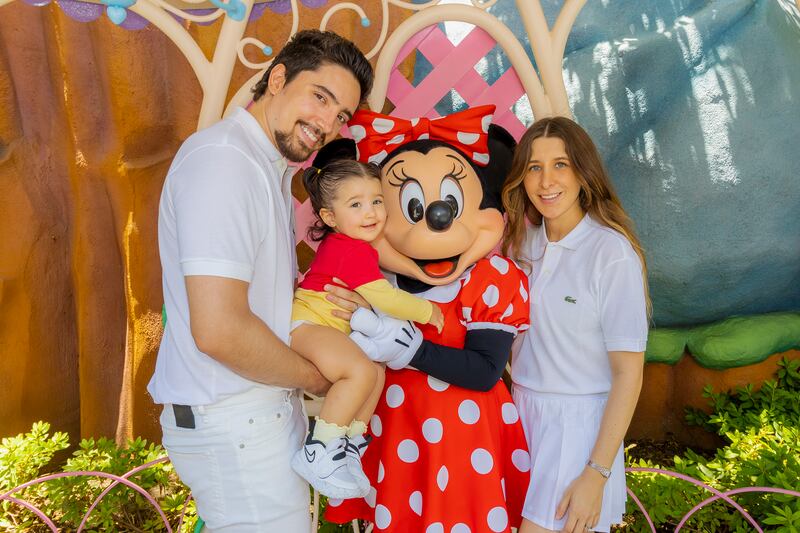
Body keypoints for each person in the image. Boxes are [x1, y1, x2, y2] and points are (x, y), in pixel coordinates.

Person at [147, 30, 373, 532]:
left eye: (340, 116)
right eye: (320, 97)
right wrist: (316, 377)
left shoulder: (261, 164)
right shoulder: (225, 163)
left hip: (251, 417)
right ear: (277, 79)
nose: (326, 123)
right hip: (236, 423)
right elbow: (220, 330)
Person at [323, 106, 532, 532]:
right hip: (397, 436)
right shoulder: (371, 278)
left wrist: (409, 348)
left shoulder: (491, 279)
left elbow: (485, 372)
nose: (436, 220)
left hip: (467, 446)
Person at [500, 116, 649, 533]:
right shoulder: (520, 247)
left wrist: (595, 474)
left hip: (578, 430)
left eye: (561, 164)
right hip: (520, 416)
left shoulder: (611, 252)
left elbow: (628, 374)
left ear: (584, 173)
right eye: (534, 166)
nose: (546, 180)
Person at [289, 154, 444, 499]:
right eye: (356, 204)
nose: (371, 212)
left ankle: (350, 443)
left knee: (375, 371)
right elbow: (384, 298)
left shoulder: (356, 247)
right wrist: (425, 309)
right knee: (360, 371)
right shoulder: (351, 250)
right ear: (330, 217)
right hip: (306, 326)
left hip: (326, 329)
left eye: (376, 201)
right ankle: (321, 449)